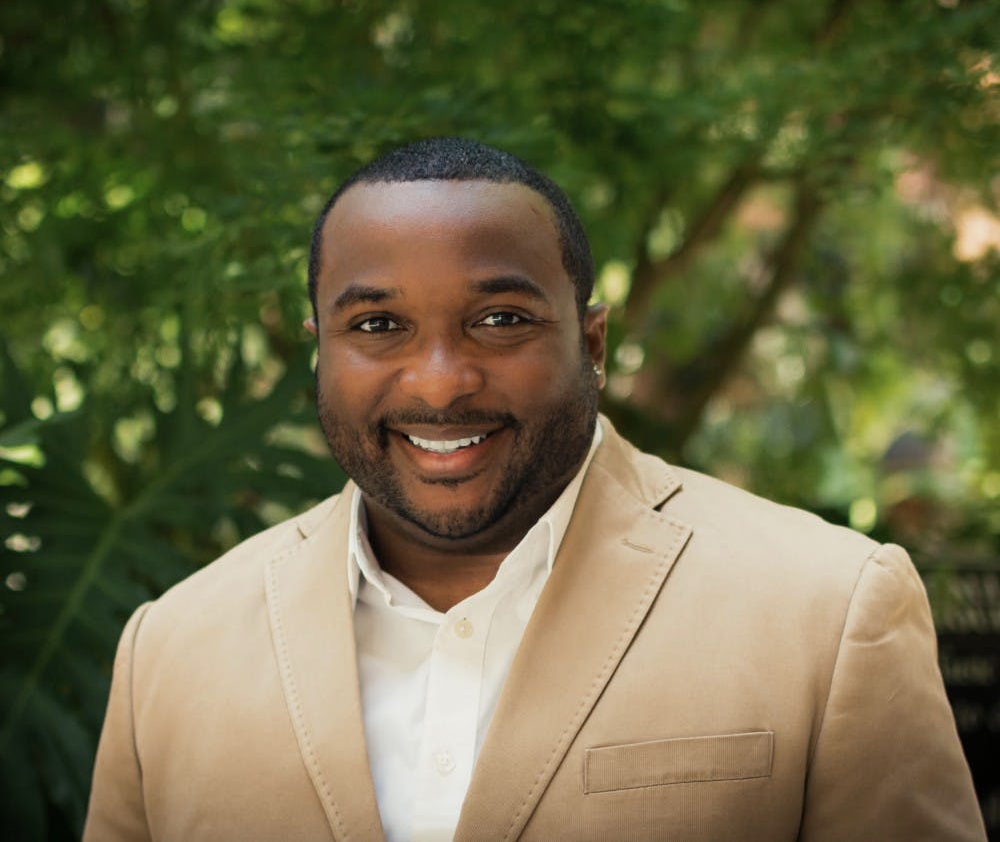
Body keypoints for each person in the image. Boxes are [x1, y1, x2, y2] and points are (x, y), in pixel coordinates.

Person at [84, 137, 986, 841]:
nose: (439, 383)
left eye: (500, 319)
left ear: (592, 343)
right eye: (379, 324)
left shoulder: (829, 610)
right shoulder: (171, 648)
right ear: (319, 346)